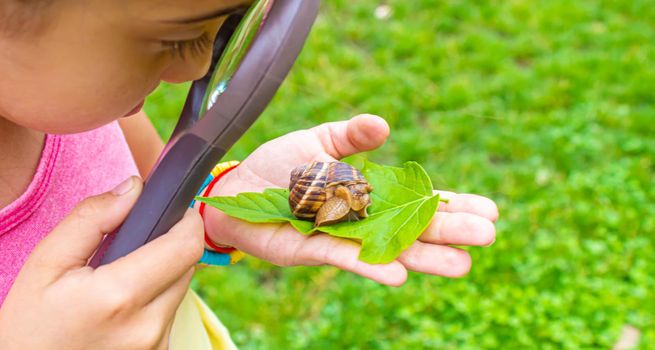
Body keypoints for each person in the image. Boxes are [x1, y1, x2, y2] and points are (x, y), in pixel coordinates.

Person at [0, 0, 499, 348]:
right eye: (174, 37)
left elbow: (153, 202)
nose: (197, 67)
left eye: (216, 33)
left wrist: (220, 207)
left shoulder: (91, 113)